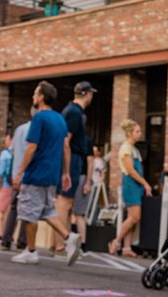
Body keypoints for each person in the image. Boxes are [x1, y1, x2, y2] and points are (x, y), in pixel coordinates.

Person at [10, 80, 81, 266]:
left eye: (35, 94)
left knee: (28, 212)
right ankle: (69, 236)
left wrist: (19, 172)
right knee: (47, 210)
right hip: (52, 175)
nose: (33, 97)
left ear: (41, 97)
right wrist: (65, 173)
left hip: (36, 173)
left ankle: (31, 251)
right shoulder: (60, 119)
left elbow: (32, 146)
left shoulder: (39, 118)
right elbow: (66, 147)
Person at [52, 81, 95, 257]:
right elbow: (65, 141)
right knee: (64, 203)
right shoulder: (74, 113)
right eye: (91, 93)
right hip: (72, 160)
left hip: (72, 160)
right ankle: (60, 245)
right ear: (87, 94)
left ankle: (62, 244)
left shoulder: (73, 112)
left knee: (66, 204)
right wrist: (66, 170)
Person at [108, 119, 152, 257]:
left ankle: (127, 248)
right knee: (134, 217)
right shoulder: (126, 148)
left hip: (136, 185)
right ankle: (116, 242)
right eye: (137, 131)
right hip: (131, 184)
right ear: (130, 133)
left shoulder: (133, 149)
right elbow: (131, 170)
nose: (140, 134)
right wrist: (145, 183)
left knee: (133, 217)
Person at [1, 109, 34, 252]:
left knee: (14, 208)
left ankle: (6, 240)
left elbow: (13, 152)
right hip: (27, 175)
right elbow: (32, 151)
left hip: (16, 175)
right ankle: (22, 242)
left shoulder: (19, 129)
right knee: (26, 210)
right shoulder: (34, 130)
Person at [0, 134, 13, 242]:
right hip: (15, 186)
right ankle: (9, 235)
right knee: (10, 211)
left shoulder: (5, 154)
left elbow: (0, 172)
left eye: (6, 139)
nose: (5, 142)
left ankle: (0, 234)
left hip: (6, 185)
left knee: (0, 211)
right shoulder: (18, 152)